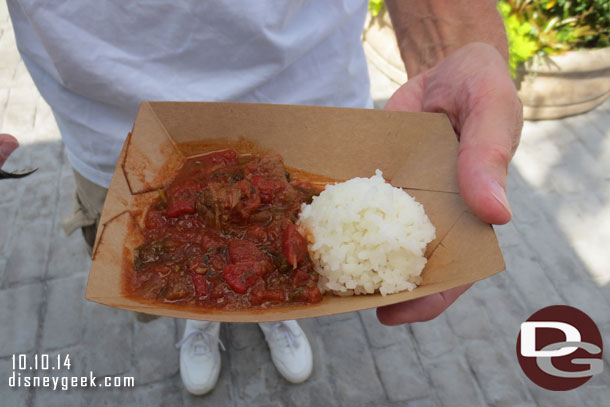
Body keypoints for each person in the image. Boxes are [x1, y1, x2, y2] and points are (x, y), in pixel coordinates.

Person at [5, 0, 522, 396]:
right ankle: (199, 323)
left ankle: (278, 314)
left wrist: (449, 50)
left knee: (288, 267)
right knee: (159, 268)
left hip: (320, 113)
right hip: (110, 127)